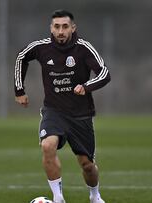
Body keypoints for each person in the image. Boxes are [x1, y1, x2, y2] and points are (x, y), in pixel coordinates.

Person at [14, 9, 110, 203]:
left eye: (65, 27)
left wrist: (86, 86)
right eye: (56, 26)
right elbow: (21, 57)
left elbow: (104, 73)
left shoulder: (83, 48)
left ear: (73, 28)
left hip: (80, 114)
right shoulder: (41, 48)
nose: (60, 31)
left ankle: (94, 196)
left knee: (87, 165)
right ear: (51, 28)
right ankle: (58, 198)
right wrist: (19, 90)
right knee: (48, 146)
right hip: (54, 111)